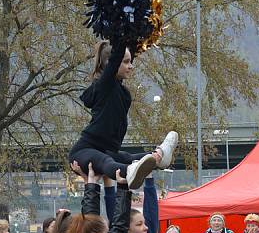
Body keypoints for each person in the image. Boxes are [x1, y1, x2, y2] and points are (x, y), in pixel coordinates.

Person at [68, 39, 178, 188]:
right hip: (84, 152)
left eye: (131, 61)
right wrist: (123, 32)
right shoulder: (105, 85)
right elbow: (115, 58)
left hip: (107, 151)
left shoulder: (123, 94)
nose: (131, 66)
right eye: (126, 62)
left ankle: (159, 156)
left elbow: (128, 51)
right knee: (107, 161)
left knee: (128, 157)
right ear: (111, 64)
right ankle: (130, 171)